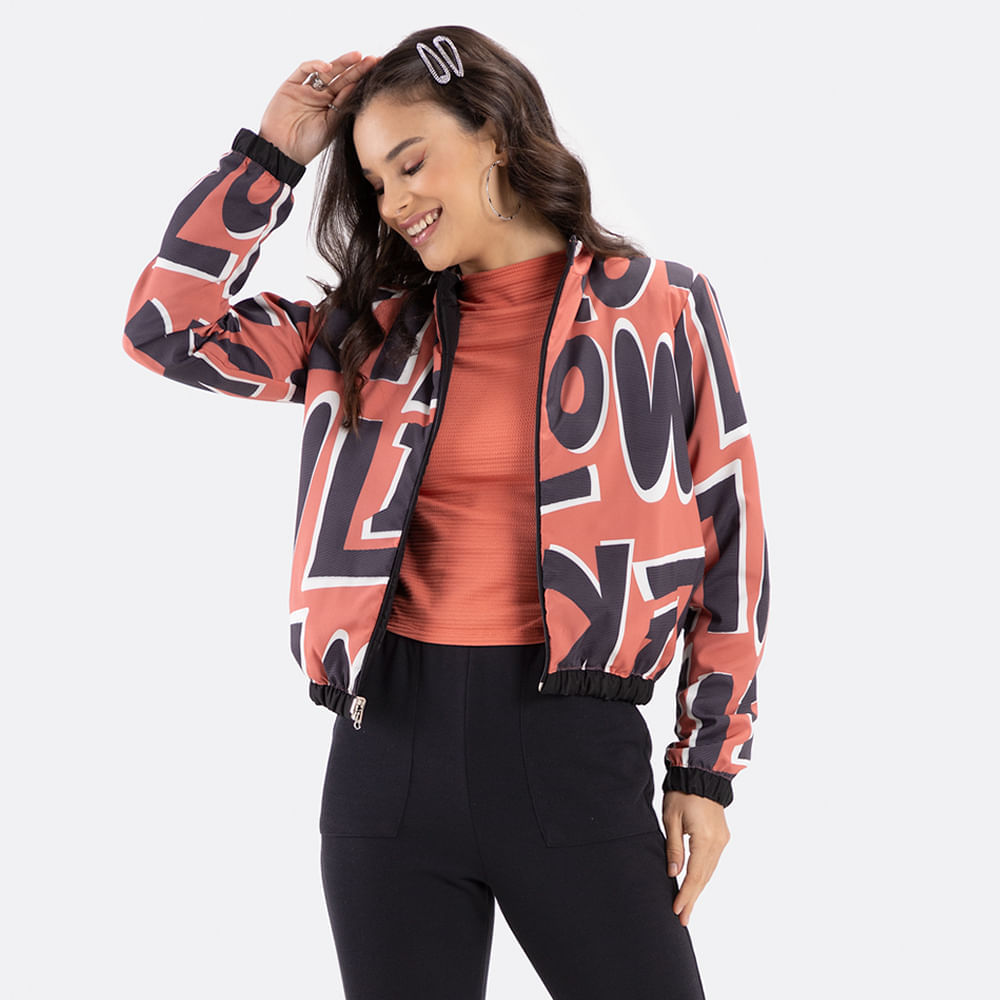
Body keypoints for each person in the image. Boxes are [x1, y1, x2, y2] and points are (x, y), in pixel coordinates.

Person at [123, 24, 769, 1000]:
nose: (394, 202)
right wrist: (271, 156)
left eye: (412, 162)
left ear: (496, 133)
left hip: (572, 756)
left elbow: (731, 544)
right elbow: (164, 329)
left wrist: (705, 768)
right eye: (375, 181)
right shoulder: (366, 333)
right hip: (386, 756)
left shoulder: (660, 307)